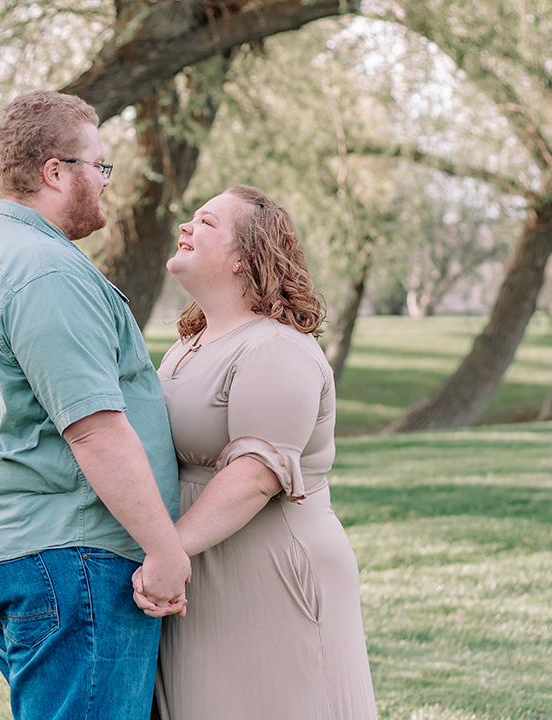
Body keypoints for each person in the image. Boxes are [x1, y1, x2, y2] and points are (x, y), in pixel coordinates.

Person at [0, 91, 190, 720]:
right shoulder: (46, 272)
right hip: (72, 558)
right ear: (56, 171)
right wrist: (163, 549)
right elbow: (95, 431)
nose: (106, 183)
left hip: (24, 552)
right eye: (99, 167)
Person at [134, 185, 379, 719]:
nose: (186, 228)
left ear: (246, 258)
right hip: (206, 568)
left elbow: (256, 475)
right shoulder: (189, 344)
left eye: (206, 222)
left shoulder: (275, 347)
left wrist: (168, 551)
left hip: (272, 572)